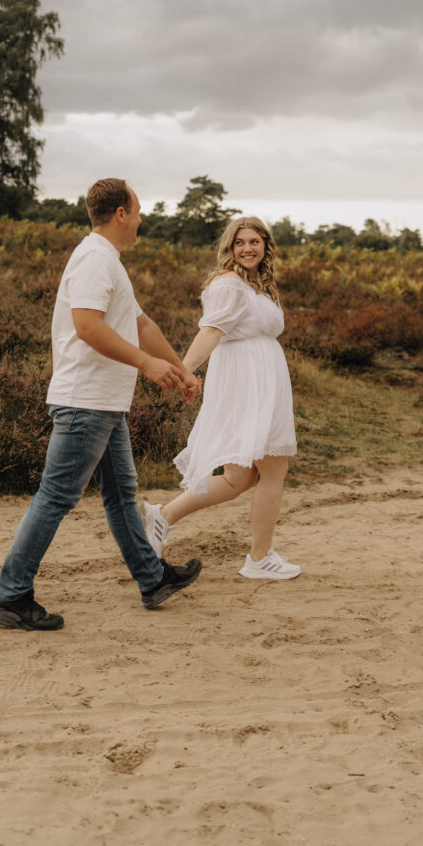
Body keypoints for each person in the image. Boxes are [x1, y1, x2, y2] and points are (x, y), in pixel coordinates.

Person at [0, 179, 203, 630]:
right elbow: (86, 326)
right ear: (121, 213)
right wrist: (146, 364)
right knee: (56, 497)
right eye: (137, 211)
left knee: (121, 495)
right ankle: (11, 595)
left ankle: (152, 578)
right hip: (85, 402)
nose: (141, 219)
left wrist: (180, 369)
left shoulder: (109, 261)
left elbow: (142, 325)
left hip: (103, 403)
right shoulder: (94, 259)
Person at [140, 217, 300, 580]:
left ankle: (162, 517)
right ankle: (259, 559)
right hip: (247, 384)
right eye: (239, 242)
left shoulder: (260, 285)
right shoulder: (229, 283)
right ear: (230, 248)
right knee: (274, 471)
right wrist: (184, 370)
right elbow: (211, 331)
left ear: (265, 245)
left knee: (237, 479)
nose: (247, 248)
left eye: (254, 241)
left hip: (262, 381)